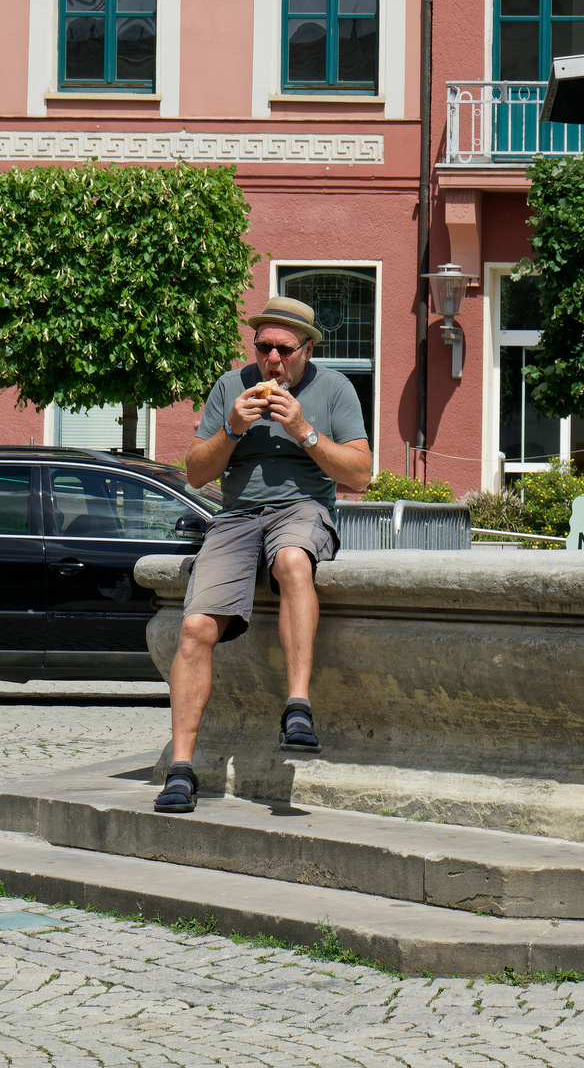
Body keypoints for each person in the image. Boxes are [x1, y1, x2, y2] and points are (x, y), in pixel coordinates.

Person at [154, 297, 372, 813]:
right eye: (263, 347)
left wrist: (305, 432)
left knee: (294, 561)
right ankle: (181, 769)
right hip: (235, 518)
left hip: (301, 509)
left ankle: (297, 707)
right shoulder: (232, 386)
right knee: (194, 628)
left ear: (308, 348)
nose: (272, 360)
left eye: (284, 350)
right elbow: (197, 474)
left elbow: (359, 474)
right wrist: (231, 428)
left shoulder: (335, 388)